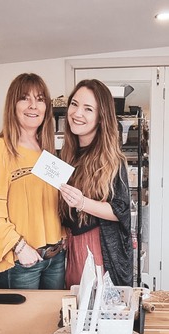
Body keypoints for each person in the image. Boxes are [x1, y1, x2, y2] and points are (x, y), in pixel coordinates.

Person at [0, 73, 66, 289]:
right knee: (20, 323)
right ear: (13, 105)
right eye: (25, 98)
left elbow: (52, 204)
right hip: (22, 261)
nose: (33, 106)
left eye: (40, 99)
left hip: (55, 258)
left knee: (54, 321)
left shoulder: (48, 152)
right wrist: (19, 247)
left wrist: (63, 237)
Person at [59, 79, 133, 289]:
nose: (77, 113)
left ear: (101, 118)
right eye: (74, 104)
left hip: (97, 248)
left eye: (88, 109)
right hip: (72, 247)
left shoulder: (112, 160)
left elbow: (121, 211)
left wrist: (82, 202)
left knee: (96, 312)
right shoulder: (67, 155)